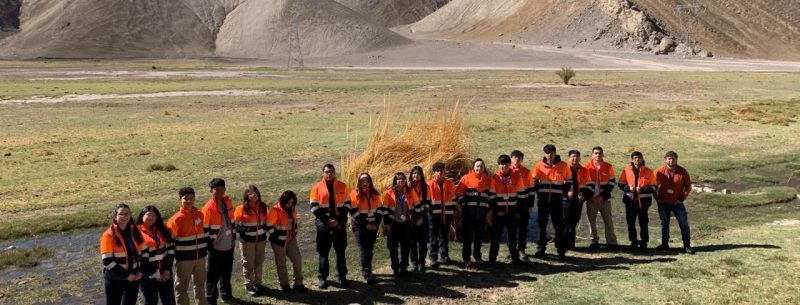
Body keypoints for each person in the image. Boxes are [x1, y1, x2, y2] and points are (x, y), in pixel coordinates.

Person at [309, 164, 351, 289]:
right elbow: (314, 207)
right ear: (323, 173)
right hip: (323, 225)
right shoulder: (316, 187)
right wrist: (327, 221)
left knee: (340, 251)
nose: (329, 174)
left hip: (339, 224)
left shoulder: (343, 186)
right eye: (327, 172)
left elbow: (348, 204)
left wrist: (337, 220)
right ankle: (322, 277)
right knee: (323, 253)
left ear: (334, 172)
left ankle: (342, 276)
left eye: (331, 171)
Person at [167, 187, 208, 305]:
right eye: (186, 198)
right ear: (180, 200)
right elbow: (170, 242)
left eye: (191, 198)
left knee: (200, 284)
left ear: (194, 198)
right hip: (184, 259)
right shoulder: (175, 219)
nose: (189, 201)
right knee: (182, 287)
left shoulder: (200, 214)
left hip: (200, 257)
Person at [101, 203, 148, 305]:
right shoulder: (108, 235)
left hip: (134, 277)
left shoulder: (135, 232)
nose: (124, 216)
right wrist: (126, 275)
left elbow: (145, 253)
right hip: (115, 279)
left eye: (127, 213)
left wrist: (141, 271)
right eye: (121, 214)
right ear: (115, 216)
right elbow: (107, 260)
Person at [533, 144, 572, 260]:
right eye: (547, 153)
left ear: (555, 153)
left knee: (558, 225)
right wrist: (538, 191)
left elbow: (569, 181)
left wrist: (564, 191)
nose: (550, 155)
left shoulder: (564, 165)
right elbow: (534, 180)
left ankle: (560, 250)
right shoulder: (539, 165)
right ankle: (541, 248)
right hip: (543, 200)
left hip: (557, 200)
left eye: (552, 152)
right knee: (542, 224)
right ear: (545, 154)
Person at [266, 191, 309, 292]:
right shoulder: (275, 210)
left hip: (291, 239)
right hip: (278, 241)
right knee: (281, 263)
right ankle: (284, 285)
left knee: (297, 260)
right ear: (283, 201)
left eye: (292, 203)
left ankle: (298, 283)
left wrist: (294, 233)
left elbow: (294, 223)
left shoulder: (292, 210)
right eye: (288, 202)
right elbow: (268, 226)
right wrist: (277, 236)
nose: (290, 205)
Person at [487, 154, 526, 265]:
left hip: (512, 213)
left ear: (510, 164)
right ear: (499, 165)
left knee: (513, 237)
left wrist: (518, 211)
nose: (503, 166)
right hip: (499, 214)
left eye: (505, 163)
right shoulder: (495, 178)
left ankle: (515, 258)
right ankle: (492, 259)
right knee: (496, 237)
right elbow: (491, 197)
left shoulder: (517, 177)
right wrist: (496, 211)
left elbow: (522, 195)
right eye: (501, 164)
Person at [202, 178, 235, 304]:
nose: (219, 191)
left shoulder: (228, 202)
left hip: (229, 244)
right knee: (212, 275)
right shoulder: (208, 208)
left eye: (222, 188)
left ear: (225, 189)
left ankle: (226, 294)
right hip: (215, 246)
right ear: (211, 190)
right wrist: (209, 245)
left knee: (227, 272)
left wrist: (233, 237)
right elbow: (205, 229)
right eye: (216, 189)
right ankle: (211, 298)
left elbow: (232, 221)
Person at [655, 151, 695, 254]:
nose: (671, 160)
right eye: (669, 158)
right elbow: (652, 184)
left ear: (676, 159)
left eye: (673, 158)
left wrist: (681, 199)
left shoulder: (682, 171)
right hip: (663, 203)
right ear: (665, 159)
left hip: (677, 203)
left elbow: (688, 187)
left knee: (684, 223)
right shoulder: (659, 171)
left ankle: (687, 246)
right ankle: (664, 244)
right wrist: (657, 198)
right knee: (664, 224)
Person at [618, 151, 658, 253]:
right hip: (630, 201)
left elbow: (654, 187)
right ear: (632, 159)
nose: (637, 159)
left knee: (643, 223)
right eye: (635, 158)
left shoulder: (649, 171)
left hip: (643, 202)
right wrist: (628, 188)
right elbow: (621, 184)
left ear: (642, 158)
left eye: (639, 157)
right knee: (630, 223)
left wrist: (643, 190)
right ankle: (633, 242)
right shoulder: (626, 170)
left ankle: (644, 243)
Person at [456, 158, 492, 268]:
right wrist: (464, 205)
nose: (479, 168)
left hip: (481, 214)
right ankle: (466, 258)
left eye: (481, 166)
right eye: (477, 166)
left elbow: (492, 196)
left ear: (484, 168)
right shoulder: (466, 178)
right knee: (467, 237)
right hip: (469, 214)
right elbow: (458, 193)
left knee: (479, 237)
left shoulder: (488, 181)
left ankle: (478, 256)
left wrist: (488, 208)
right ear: (473, 167)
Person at [232, 185, 268, 296]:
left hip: (261, 240)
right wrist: (243, 229)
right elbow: (234, 224)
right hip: (247, 241)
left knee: (259, 262)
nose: (254, 195)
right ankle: (249, 286)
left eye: (255, 192)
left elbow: (268, 221)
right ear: (246, 195)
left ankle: (258, 284)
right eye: (251, 193)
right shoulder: (241, 208)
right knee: (248, 264)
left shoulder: (263, 206)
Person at [348, 173, 384, 283]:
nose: (365, 183)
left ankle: (369, 270)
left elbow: (380, 210)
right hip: (360, 227)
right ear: (359, 182)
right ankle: (366, 273)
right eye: (362, 181)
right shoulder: (354, 194)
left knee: (370, 249)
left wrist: (375, 224)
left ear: (370, 182)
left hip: (373, 226)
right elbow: (353, 211)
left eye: (367, 181)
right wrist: (366, 224)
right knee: (365, 249)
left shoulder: (375, 194)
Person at [384, 172, 422, 276]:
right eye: (398, 179)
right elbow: (385, 210)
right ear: (395, 181)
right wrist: (386, 223)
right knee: (393, 247)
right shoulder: (389, 193)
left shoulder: (410, 192)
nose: (401, 181)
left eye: (403, 179)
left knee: (405, 247)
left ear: (406, 180)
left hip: (406, 223)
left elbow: (417, 204)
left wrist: (418, 217)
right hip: (393, 224)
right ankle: (395, 268)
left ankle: (404, 267)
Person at [137, 205, 175, 305]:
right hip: (148, 275)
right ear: (142, 216)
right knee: (151, 301)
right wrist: (155, 273)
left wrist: (167, 270)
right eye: (149, 214)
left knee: (169, 301)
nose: (151, 218)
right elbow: (139, 258)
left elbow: (170, 251)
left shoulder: (164, 230)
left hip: (165, 273)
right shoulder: (136, 233)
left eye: (154, 215)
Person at [584, 146, 620, 252]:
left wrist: (602, 196)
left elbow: (611, 182)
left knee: (608, 221)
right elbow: (584, 184)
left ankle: (612, 242)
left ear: (603, 154)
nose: (598, 155)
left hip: (604, 199)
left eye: (600, 153)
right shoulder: (586, 167)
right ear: (592, 155)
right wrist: (591, 197)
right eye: (595, 153)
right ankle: (594, 241)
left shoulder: (608, 166)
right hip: (591, 200)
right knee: (591, 222)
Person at [427, 162, 456, 268]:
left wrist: (451, 211)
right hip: (433, 215)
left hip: (447, 215)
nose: (440, 173)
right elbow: (427, 201)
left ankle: (444, 255)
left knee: (444, 236)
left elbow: (453, 199)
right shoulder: (429, 185)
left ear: (444, 171)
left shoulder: (450, 184)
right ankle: (433, 257)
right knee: (433, 237)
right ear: (434, 172)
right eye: (437, 171)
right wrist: (430, 212)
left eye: (442, 170)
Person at [564, 150, 591, 252]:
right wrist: (566, 193)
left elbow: (589, 186)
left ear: (580, 158)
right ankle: (563, 244)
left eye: (577, 157)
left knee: (574, 221)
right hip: (566, 201)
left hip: (578, 201)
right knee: (565, 222)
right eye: (573, 157)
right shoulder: (564, 169)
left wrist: (583, 196)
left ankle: (571, 244)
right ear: (569, 158)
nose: (575, 159)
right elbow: (559, 184)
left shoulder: (584, 170)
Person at [509, 150, 534, 259]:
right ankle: (511, 249)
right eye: (514, 157)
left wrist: (530, 205)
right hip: (510, 204)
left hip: (523, 204)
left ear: (522, 159)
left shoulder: (527, 172)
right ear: (511, 159)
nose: (516, 159)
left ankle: (522, 249)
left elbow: (532, 190)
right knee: (511, 228)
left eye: (519, 157)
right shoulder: (506, 171)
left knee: (522, 228)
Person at [408, 166, 431, 272]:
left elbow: (427, 204)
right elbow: (405, 203)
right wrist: (412, 217)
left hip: (423, 217)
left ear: (421, 175)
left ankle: (422, 263)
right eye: (413, 173)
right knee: (412, 242)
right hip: (411, 217)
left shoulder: (426, 188)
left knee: (422, 242)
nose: (415, 175)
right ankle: (414, 262)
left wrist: (421, 217)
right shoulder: (407, 187)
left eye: (417, 173)